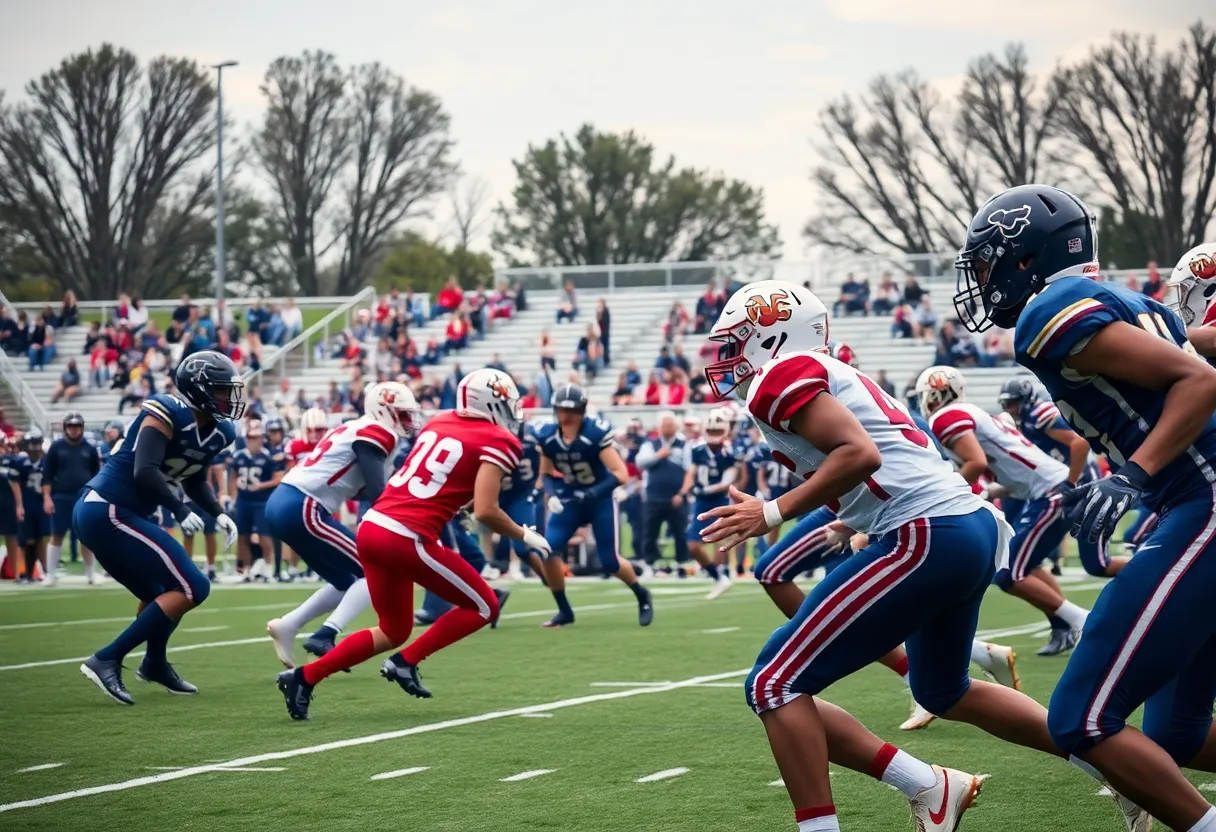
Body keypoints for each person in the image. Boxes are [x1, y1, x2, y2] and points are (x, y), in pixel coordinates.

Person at [700, 278, 1137, 832]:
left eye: (739, 340)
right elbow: (899, 457)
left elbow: (858, 454)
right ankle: (1121, 772)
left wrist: (771, 511)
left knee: (773, 685)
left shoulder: (782, 374)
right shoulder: (836, 374)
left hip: (923, 533)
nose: (730, 355)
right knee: (943, 689)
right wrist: (852, 518)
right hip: (965, 527)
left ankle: (896, 796)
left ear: (772, 334)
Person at [953, 183, 1216, 831]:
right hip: (1192, 501)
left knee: (1080, 717)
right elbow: (1194, 351)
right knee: (1177, 733)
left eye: (990, 264)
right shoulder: (1134, 302)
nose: (983, 284)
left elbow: (1197, 380)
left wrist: (1132, 475)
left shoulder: (1054, 308)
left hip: (1202, 500)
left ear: (1026, 259)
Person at [277, 370, 551, 718]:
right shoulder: (499, 440)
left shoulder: (441, 422)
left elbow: (440, 478)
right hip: (405, 535)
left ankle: (303, 678)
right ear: (493, 404)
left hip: (372, 526)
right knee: (484, 607)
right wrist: (525, 534)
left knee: (394, 629)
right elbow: (487, 510)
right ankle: (404, 663)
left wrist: (458, 505)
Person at [73, 352, 242, 704]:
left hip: (115, 514)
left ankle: (154, 662)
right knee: (194, 585)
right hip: (108, 508)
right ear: (198, 390)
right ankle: (107, 657)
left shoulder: (219, 431)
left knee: (161, 592)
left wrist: (216, 511)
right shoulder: (168, 411)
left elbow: (195, 477)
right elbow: (144, 470)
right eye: (221, 390)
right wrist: (179, 510)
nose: (228, 398)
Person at [916, 366, 1091, 657]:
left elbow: (975, 462)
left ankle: (1081, 621)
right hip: (1046, 488)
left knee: (1008, 572)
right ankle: (1064, 625)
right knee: (1026, 565)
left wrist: (942, 494)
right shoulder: (973, 414)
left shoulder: (947, 417)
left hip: (1052, 491)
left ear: (936, 392)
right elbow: (1010, 467)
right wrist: (991, 490)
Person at [264, 385, 417, 669]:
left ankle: (288, 625)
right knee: (374, 570)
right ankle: (326, 634)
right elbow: (377, 491)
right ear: (384, 410)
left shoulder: (356, 429)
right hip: (303, 504)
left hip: (285, 502)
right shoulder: (376, 432)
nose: (408, 421)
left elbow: (358, 485)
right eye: (403, 414)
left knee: (346, 579)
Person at [535, 384, 653, 628]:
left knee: (609, 561)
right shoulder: (548, 436)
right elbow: (545, 473)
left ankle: (641, 594)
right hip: (569, 500)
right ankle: (564, 610)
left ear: (581, 411)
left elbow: (620, 474)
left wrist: (592, 492)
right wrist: (551, 494)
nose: (566, 417)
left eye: (571, 411)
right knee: (546, 550)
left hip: (598, 499)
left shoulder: (594, 434)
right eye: (561, 410)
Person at [997, 376, 1125, 581]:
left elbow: (1080, 443)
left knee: (1098, 564)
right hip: (1069, 490)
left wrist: (1070, 481)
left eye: (1014, 402)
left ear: (1026, 399)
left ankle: (1152, 571)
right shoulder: (1024, 424)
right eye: (1007, 404)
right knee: (1031, 561)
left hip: (1085, 486)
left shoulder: (1039, 415)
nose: (1011, 408)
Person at [680, 408, 738, 599]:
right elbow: (692, 471)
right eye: (711, 431)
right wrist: (687, 488)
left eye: (716, 431)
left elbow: (728, 480)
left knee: (718, 539)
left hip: (718, 500)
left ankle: (721, 575)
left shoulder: (729, 452)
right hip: (700, 502)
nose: (713, 435)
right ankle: (718, 576)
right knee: (694, 544)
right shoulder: (698, 450)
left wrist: (706, 489)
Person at [41, 411, 101, 585]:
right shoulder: (56, 447)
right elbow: (47, 475)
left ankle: (91, 574)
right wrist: (47, 498)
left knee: (86, 536)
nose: (74, 430)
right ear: (65, 428)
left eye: (77, 426)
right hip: (60, 496)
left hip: (83, 497)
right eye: (71, 426)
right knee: (56, 534)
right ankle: (50, 574)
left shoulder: (89, 448)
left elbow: (96, 476)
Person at [227, 421, 286, 580]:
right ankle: (245, 570)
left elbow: (277, 479)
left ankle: (267, 567)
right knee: (243, 536)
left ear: (261, 438)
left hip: (262, 501)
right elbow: (233, 477)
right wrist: (233, 497)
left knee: (264, 536)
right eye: (251, 437)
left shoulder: (268, 456)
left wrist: (261, 485)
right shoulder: (239, 455)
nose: (254, 440)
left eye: (256, 437)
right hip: (244, 501)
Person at [636, 411, 691, 569]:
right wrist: (659, 455)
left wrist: (682, 493)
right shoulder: (650, 444)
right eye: (664, 425)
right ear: (658, 427)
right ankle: (649, 563)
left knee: (680, 531)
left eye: (670, 425)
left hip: (676, 496)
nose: (667, 428)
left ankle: (682, 563)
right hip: (654, 496)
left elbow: (689, 470)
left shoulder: (684, 444)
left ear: (676, 427)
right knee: (650, 532)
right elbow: (640, 462)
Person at [9, 429, 49, 582]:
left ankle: (44, 570)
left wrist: (48, 499)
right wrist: (19, 505)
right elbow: (13, 481)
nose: (35, 447)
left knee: (42, 538)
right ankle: (27, 571)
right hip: (27, 502)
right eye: (33, 444)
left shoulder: (47, 460)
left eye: (38, 443)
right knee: (28, 539)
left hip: (41, 502)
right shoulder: (20, 462)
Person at [596, 298, 611, 365]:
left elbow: (605, 322)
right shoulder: (598, 311)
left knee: (606, 346)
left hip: (605, 332)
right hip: (600, 333)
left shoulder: (606, 311)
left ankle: (606, 360)